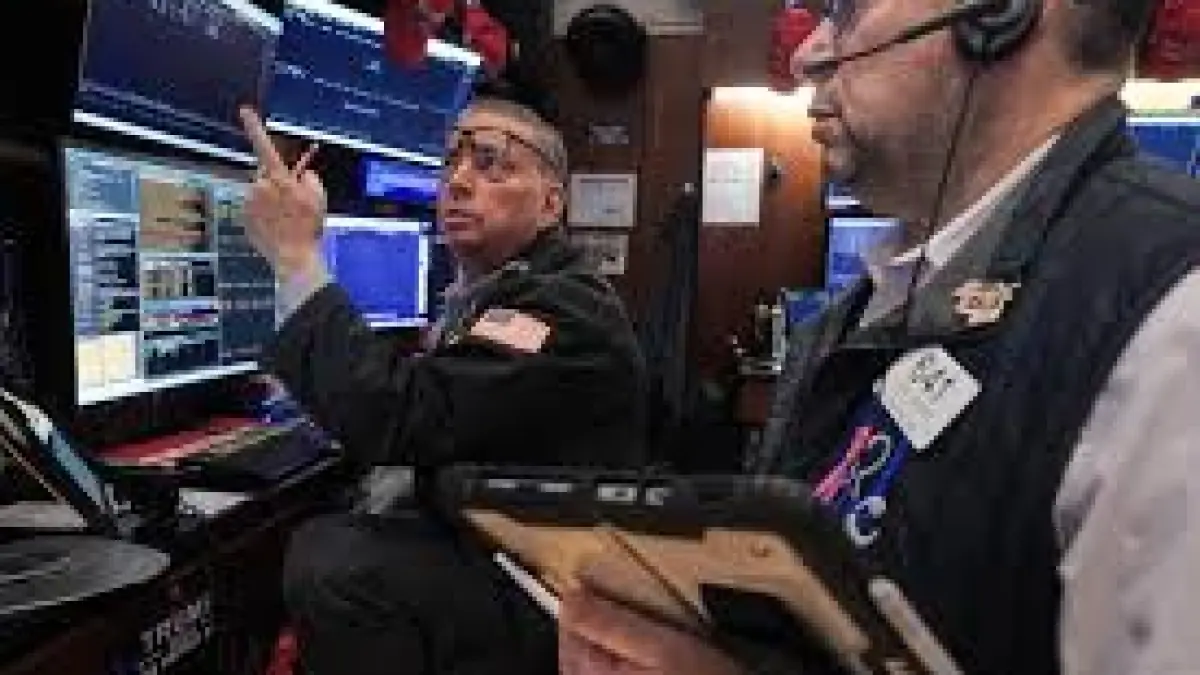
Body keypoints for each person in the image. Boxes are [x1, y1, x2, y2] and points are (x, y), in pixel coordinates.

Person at [559, 0, 1200, 674]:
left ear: (1000, 15)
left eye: (844, 8)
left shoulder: (1170, 309)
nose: (806, 55)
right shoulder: (872, 301)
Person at [237, 98, 647, 675]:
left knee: (333, 562)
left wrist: (295, 255)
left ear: (551, 204)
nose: (458, 180)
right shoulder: (503, 292)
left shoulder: (563, 308)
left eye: (491, 162)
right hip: (504, 550)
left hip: (550, 595)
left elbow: (399, 414)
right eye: (452, 161)